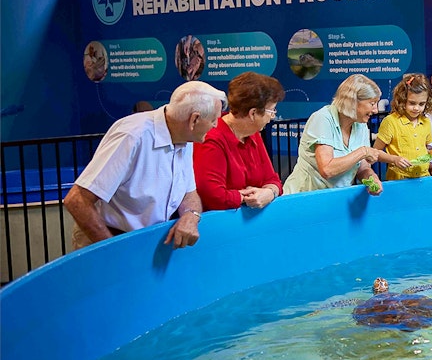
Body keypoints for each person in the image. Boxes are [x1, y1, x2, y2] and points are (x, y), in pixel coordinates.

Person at [64, 80, 227, 250]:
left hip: (145, 241)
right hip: (108, 238)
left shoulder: (186, 138)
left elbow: (189, 193)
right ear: (194, 119)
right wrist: (112, 250)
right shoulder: (132, 136)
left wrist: (191, 216)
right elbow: (77, 200)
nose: (215, 126)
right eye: (214, 120)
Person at [193, 72, 285, 211]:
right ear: (253, 113)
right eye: (271, 111)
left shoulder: (253, 134)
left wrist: (270, 192)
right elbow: (213, 196)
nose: (272, 117)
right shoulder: (211, 139)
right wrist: (247, 198)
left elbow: (272, 179)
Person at [283, 74, 384, 195]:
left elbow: (362, 168)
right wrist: (363, 152)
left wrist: (372, 178)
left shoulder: (360, 124)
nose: (376, 110)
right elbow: (327, 170)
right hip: (305, 196)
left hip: (335, 198)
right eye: (372, 103)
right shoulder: (323, 118)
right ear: (353, 102)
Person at [374, 73, 432, 180]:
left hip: (423, 178)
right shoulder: (391, 121)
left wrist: (431, 154)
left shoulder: (426, 122)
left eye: (421, 104)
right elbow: (375, 152)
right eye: (412, 103)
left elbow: (422, 151)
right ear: (402, 100)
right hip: (399, 180)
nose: (416, 108)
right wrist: (394, 159)